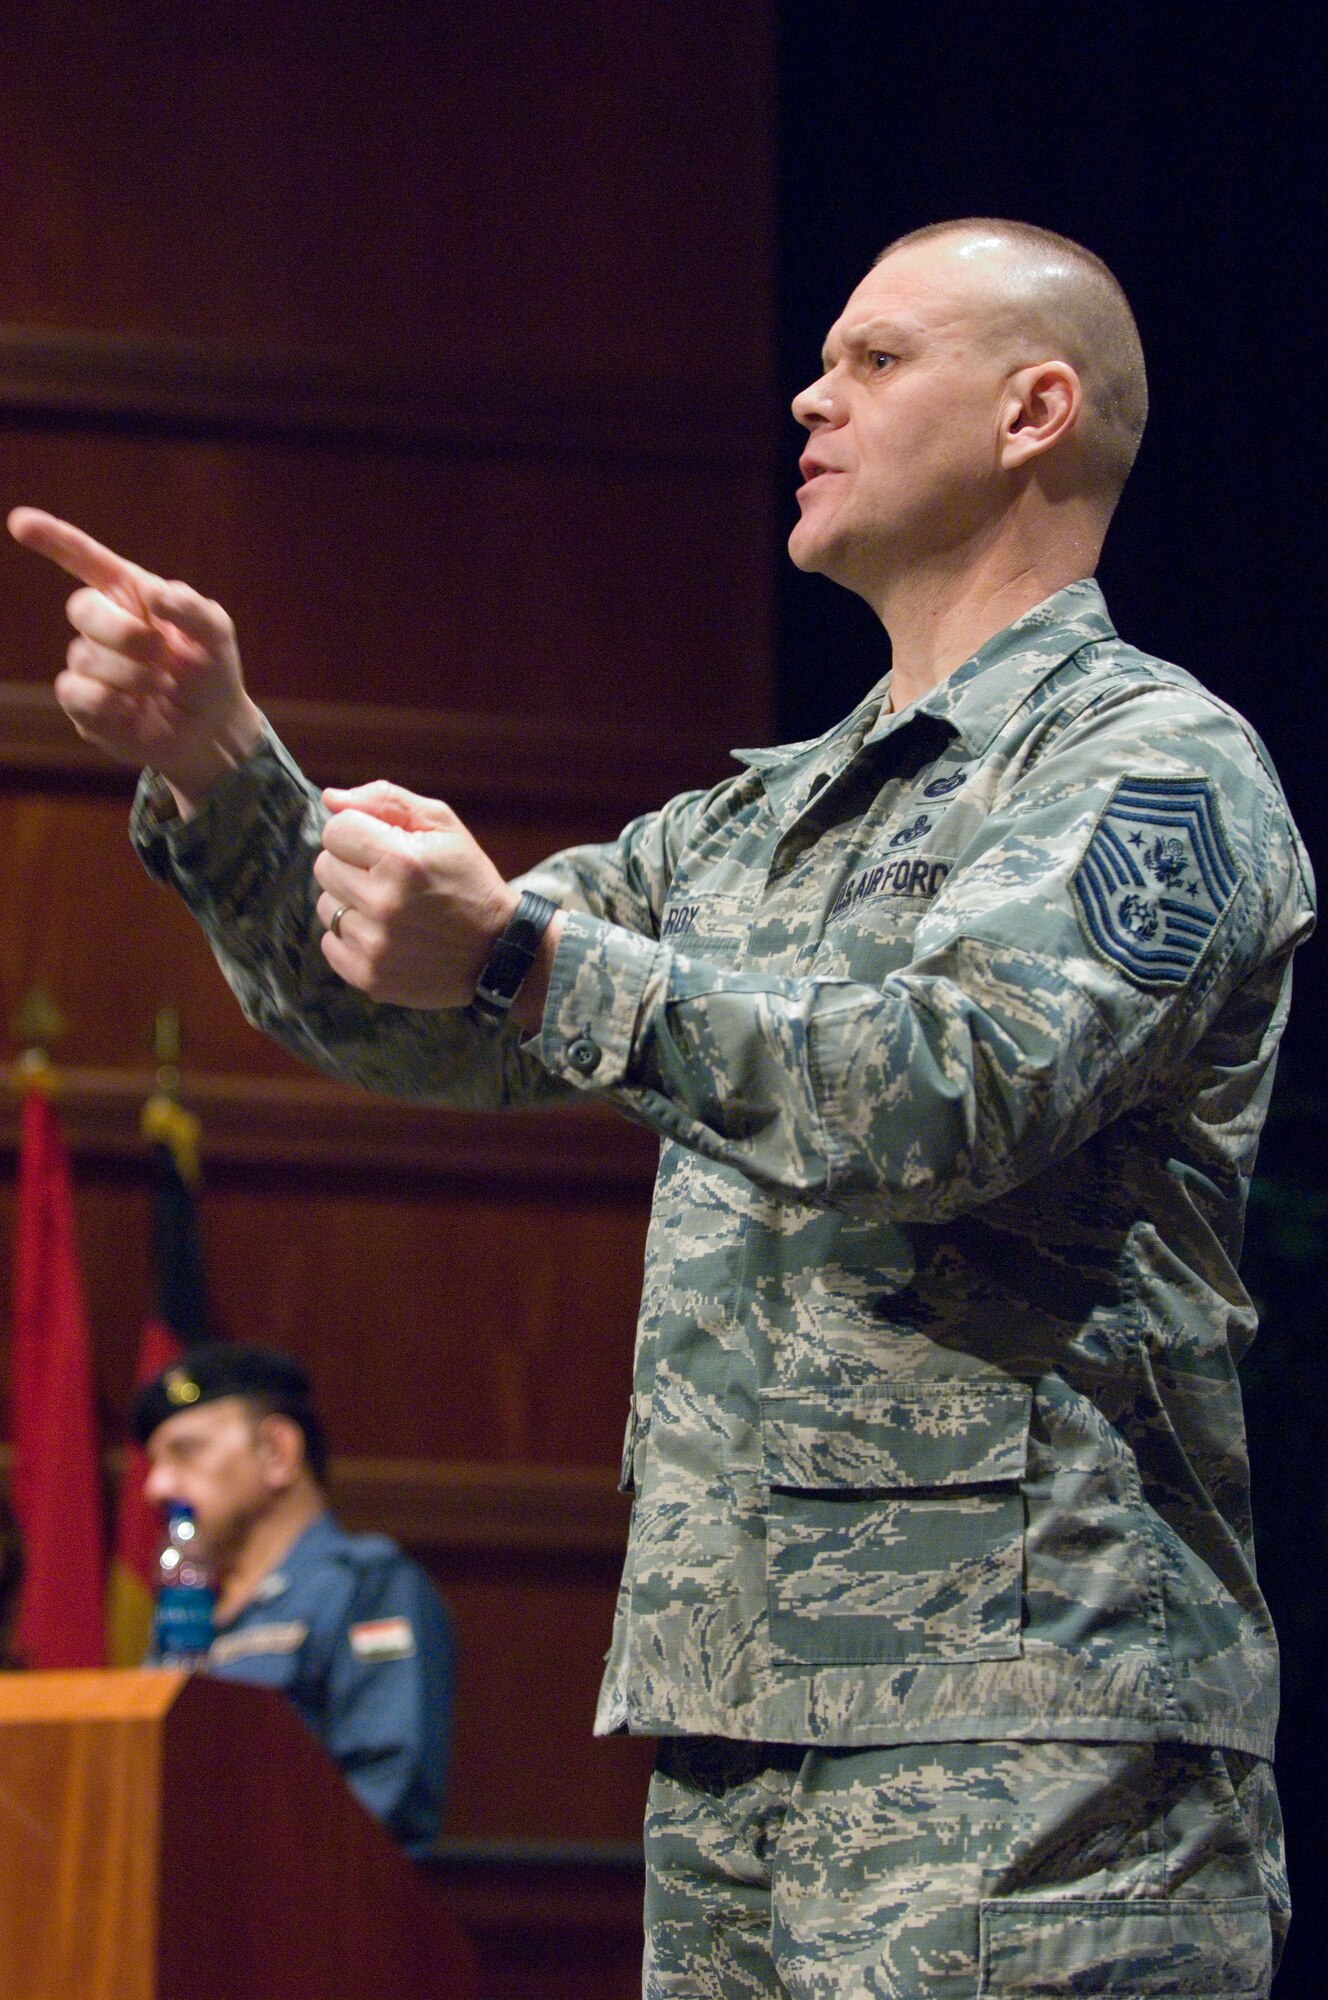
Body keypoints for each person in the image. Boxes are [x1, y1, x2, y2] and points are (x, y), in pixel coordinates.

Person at [10, 217, 1314, 1997]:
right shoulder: (754, 825)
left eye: (871, 360)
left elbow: (953, 1090)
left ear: (1032, 412)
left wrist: (533, 965)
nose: (808, 392)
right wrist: (223, 765)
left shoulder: (1152, 765)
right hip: (732, 1726)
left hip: (1028, 1741)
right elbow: (429, 1015)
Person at [130, 1341, 454, 1859]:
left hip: (306, 1918)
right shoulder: (185, 1609)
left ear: (277, 1452)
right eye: (154, 1462)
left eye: (185, 1452)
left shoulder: (366, 1588)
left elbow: (384, 1800)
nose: (156, 1486)